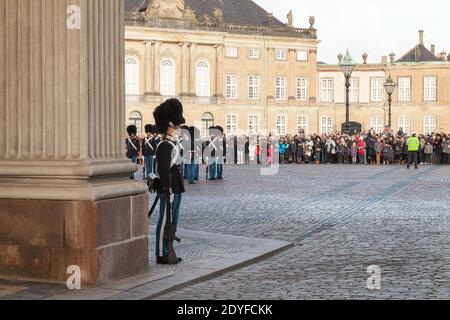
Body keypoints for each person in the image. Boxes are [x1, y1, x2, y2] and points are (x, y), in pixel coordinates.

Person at [152, 98, 186, 265]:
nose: (178, 129)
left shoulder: (170, 143)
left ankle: (169, 249)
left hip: (176, 186)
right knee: (164, 221)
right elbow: (164, 170)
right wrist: (168, 189)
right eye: (176, 126)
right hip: (169, 187)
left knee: (172, 221)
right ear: (169, 125)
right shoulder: (164, 145)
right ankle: (161, 252)